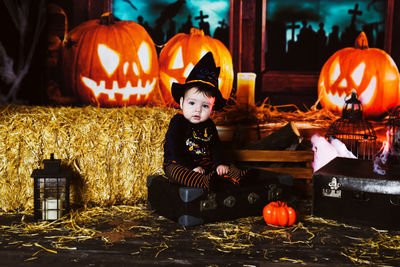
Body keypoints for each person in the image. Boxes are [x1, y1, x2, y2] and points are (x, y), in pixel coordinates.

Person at [163, 52, 247, 191]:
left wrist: (220, 163)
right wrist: (192, 167)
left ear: (212, 108)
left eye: (205, 106)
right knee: (177, 173)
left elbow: (216, 147)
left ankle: (240, 177)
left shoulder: (209, 125)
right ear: (182, 102)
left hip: (205, 164)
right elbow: (174, 148)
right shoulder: (178, 122)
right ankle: (205, 182)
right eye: (192, 103)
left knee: (227, 167)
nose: (198, 110)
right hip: (180, 162)